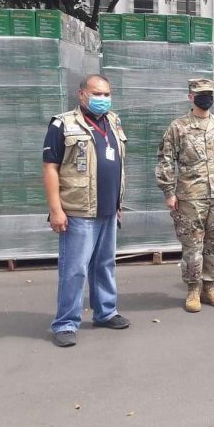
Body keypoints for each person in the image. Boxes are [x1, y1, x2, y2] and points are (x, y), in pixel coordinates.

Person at [42, 74, 130, 347]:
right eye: (97, 94)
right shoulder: (63, 124)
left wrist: (117, 202)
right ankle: (65, 323)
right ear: (82, 94)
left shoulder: (113, 121)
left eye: (106, 94)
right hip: (78, 211)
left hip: (107, 209)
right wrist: (56, 209)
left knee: (105, 265)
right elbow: (50, 168)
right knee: (75, 270)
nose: (103, 99)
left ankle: (105, 312)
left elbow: (117, 164)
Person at [155, 78, 214, 312]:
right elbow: (165, 160)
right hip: (190, 197)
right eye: (201, 94)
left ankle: (209, 287)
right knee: (192, 244)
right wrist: (168, 191)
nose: (206, 98)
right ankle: (193, 289)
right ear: (190, 97)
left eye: (209, 94)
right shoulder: (178, 127)